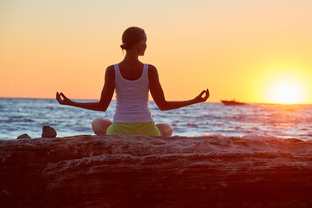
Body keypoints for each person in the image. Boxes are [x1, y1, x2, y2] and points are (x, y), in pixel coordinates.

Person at [56, 26, 209, 137]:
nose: (146, 45)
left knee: (97, 122)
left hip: (119, 131)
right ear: (137, 44)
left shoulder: (111, 70)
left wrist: (71, 102)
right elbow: (163, 105)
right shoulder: (150, 70)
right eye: (145, 41)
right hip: (147, 131)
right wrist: (194, 100)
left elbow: (102, 106)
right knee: (167, 127)